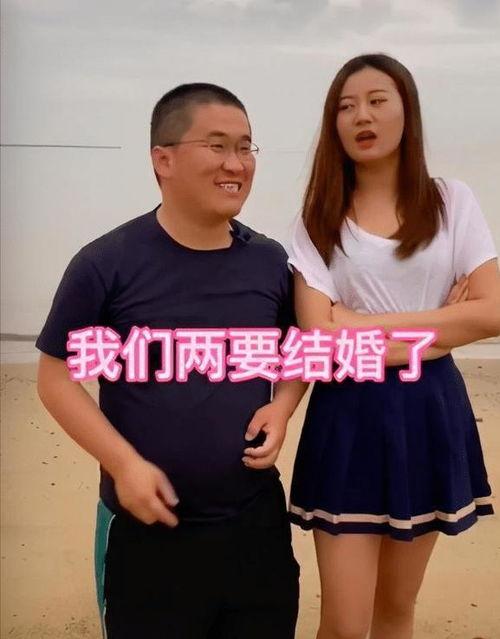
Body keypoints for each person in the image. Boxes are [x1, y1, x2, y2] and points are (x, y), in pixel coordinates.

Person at [37, 83, 305, 639]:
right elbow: (55, 377)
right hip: (146, 531)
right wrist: (124, 465)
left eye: (246, 147)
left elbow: (298, 350)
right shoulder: (106, 263)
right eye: (217, 145)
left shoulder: (267, 260)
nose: (236, 164)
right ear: (163, 159)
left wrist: (282, 407)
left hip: (254, 527)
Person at [287, 54, 499, 639]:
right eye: (346, 106)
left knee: (396, 610)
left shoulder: (451, 201)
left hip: (428, 413)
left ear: (407, 111)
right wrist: (443, 328)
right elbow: (321, 342)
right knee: (344, 623)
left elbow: (493, 312)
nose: (362, 115)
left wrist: (361, 323)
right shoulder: (318, 220)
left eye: (377, 101)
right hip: (348, 417)